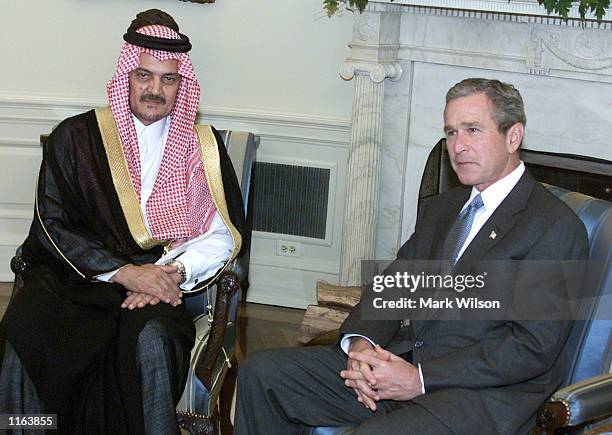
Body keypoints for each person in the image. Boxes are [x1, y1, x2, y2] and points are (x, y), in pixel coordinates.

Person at [234, 78, 588, 434]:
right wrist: (361, 347)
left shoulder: (553, 226)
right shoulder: (444, 209)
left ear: (513, 137)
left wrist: (420, 378)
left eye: (473, 130)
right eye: (450, 133)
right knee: (262, 375)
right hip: (400, 371)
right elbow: (391, 288)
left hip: (480, 398)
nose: (458, 146)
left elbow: (531, 347)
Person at [0, 9, 245, 434]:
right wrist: (126, 272)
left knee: (152, 343)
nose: (154, 89)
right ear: (125, 76)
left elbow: (222, 235)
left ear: (181, 84)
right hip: (76, 280)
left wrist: (170, 274)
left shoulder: (201, 149)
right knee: (22, 335)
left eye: (168, 79)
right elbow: (53, 226)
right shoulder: (75, 138)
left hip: (156, 288)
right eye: (144, 76)